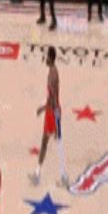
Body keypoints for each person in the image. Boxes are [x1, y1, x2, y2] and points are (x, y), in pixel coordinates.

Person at [29, 46, 68, 187]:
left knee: (51, 143)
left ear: (50, 58)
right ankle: (40, 174)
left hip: (52, 112)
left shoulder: (52, 75)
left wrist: (42, 108)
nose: (45, 59)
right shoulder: (53, 71)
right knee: (53, 142)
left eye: (46, 56)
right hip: (54, 111)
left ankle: (57, 176)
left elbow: (52, 98)